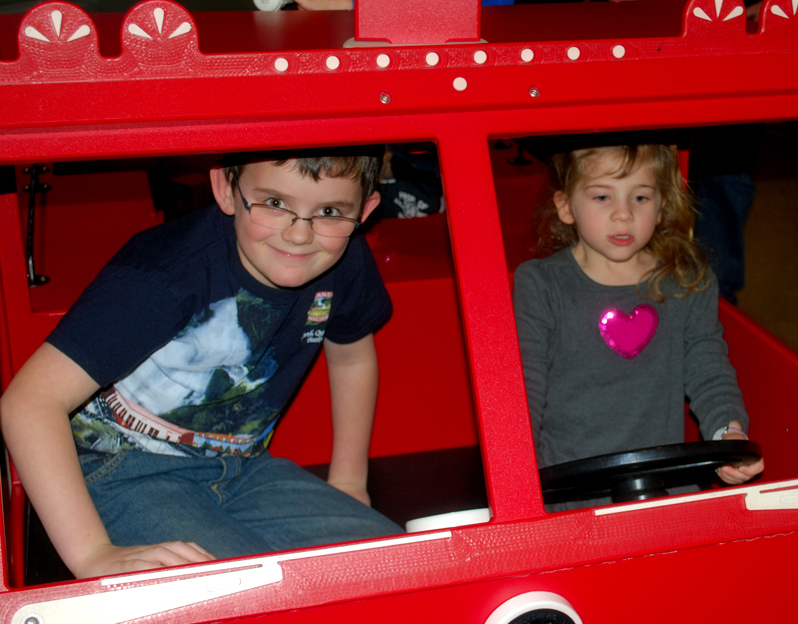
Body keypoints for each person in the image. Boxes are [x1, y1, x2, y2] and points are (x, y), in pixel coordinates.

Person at [0, 147, 402, 579]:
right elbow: (29, 401)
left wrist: (347, 483)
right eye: (274, 203)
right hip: (122, 470)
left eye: (329, 211)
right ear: (227, 188)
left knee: (397, 566)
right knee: (248, 591)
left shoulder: (345, 260)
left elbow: (351, 358)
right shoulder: (164, 273)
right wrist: (93, 553)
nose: (300, 234)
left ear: (364, 211)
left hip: (246, 468)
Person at [512, 143, 765, 510]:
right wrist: (520, 485)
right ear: (566, 207)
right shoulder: (541, 284)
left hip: (665, 492)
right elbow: (525, 390)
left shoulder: (686, 281)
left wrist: (729, 433)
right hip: (571, 494)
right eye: (602, 197)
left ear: (661, 207)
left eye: (641, 197)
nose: (623, 214)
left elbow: (709, 370)